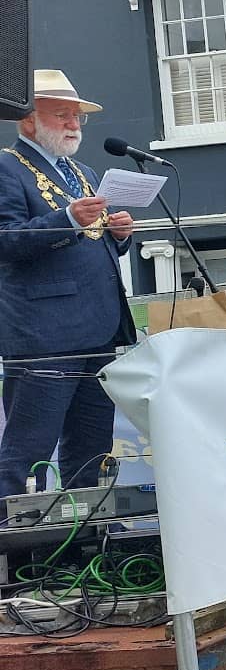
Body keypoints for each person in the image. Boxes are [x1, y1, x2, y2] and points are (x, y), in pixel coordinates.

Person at [0, 71, 136, 498]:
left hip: (97, 331)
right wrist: (67, 219)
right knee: (27, 455)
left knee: (92, 453)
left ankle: (82, 552)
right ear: (28, 121)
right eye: (62, 116)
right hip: (44, 338)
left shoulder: (84, 171)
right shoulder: (6, 167)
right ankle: (19, 554)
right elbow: (6, 240)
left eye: (76, 117)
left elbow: (93, 248)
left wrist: (119, 236)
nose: (73, 125)